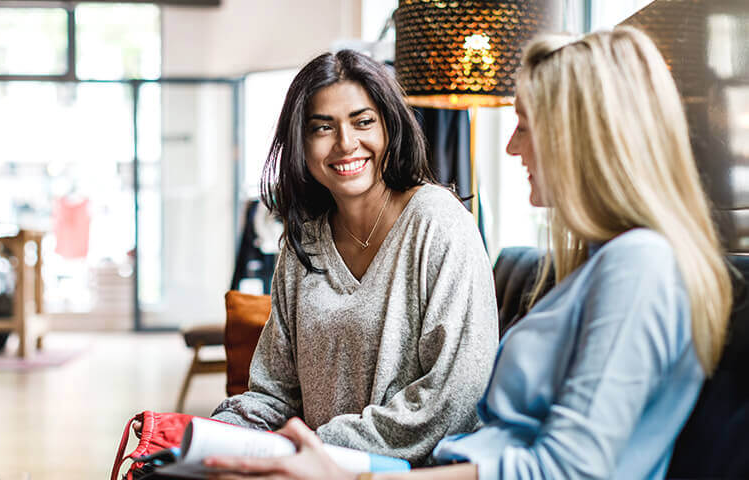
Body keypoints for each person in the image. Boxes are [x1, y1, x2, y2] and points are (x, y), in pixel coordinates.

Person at [203, 27, 734, 480]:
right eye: (323, 127)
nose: (511, 147)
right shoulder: (603, 264)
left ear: (581, 137)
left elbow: (563, 467)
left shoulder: (638, 266)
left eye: (525, 124)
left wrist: (343, 468)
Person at [208, 49, 499, 467]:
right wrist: (218, 435)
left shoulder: (439, 223)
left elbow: (454, 403)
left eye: (363, 122)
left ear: (389, 127)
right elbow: (274, 392)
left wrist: (311, 447)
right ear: (300, 143)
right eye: (322, 128)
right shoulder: (303, 240)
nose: (346, 144)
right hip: (313, 469)